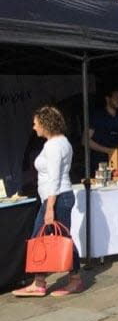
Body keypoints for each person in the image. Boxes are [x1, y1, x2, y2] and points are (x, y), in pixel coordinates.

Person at [13, 106, 82, 297]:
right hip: (58, 197)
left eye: (36, 123)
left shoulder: (53, 146)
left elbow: (53, 178)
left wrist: (50, 207)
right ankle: (48, 281)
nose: (34, 128)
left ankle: (44, 282)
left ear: (45, 123)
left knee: (44, 239)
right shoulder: (61, 142)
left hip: (56, 198)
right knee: (57, 238)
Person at [88, 89, 118, 170]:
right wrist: (107, 150)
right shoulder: (97, 116)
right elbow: (86, 141)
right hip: (99, 161)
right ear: (108, 99)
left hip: (117, 160)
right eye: (116, 97)